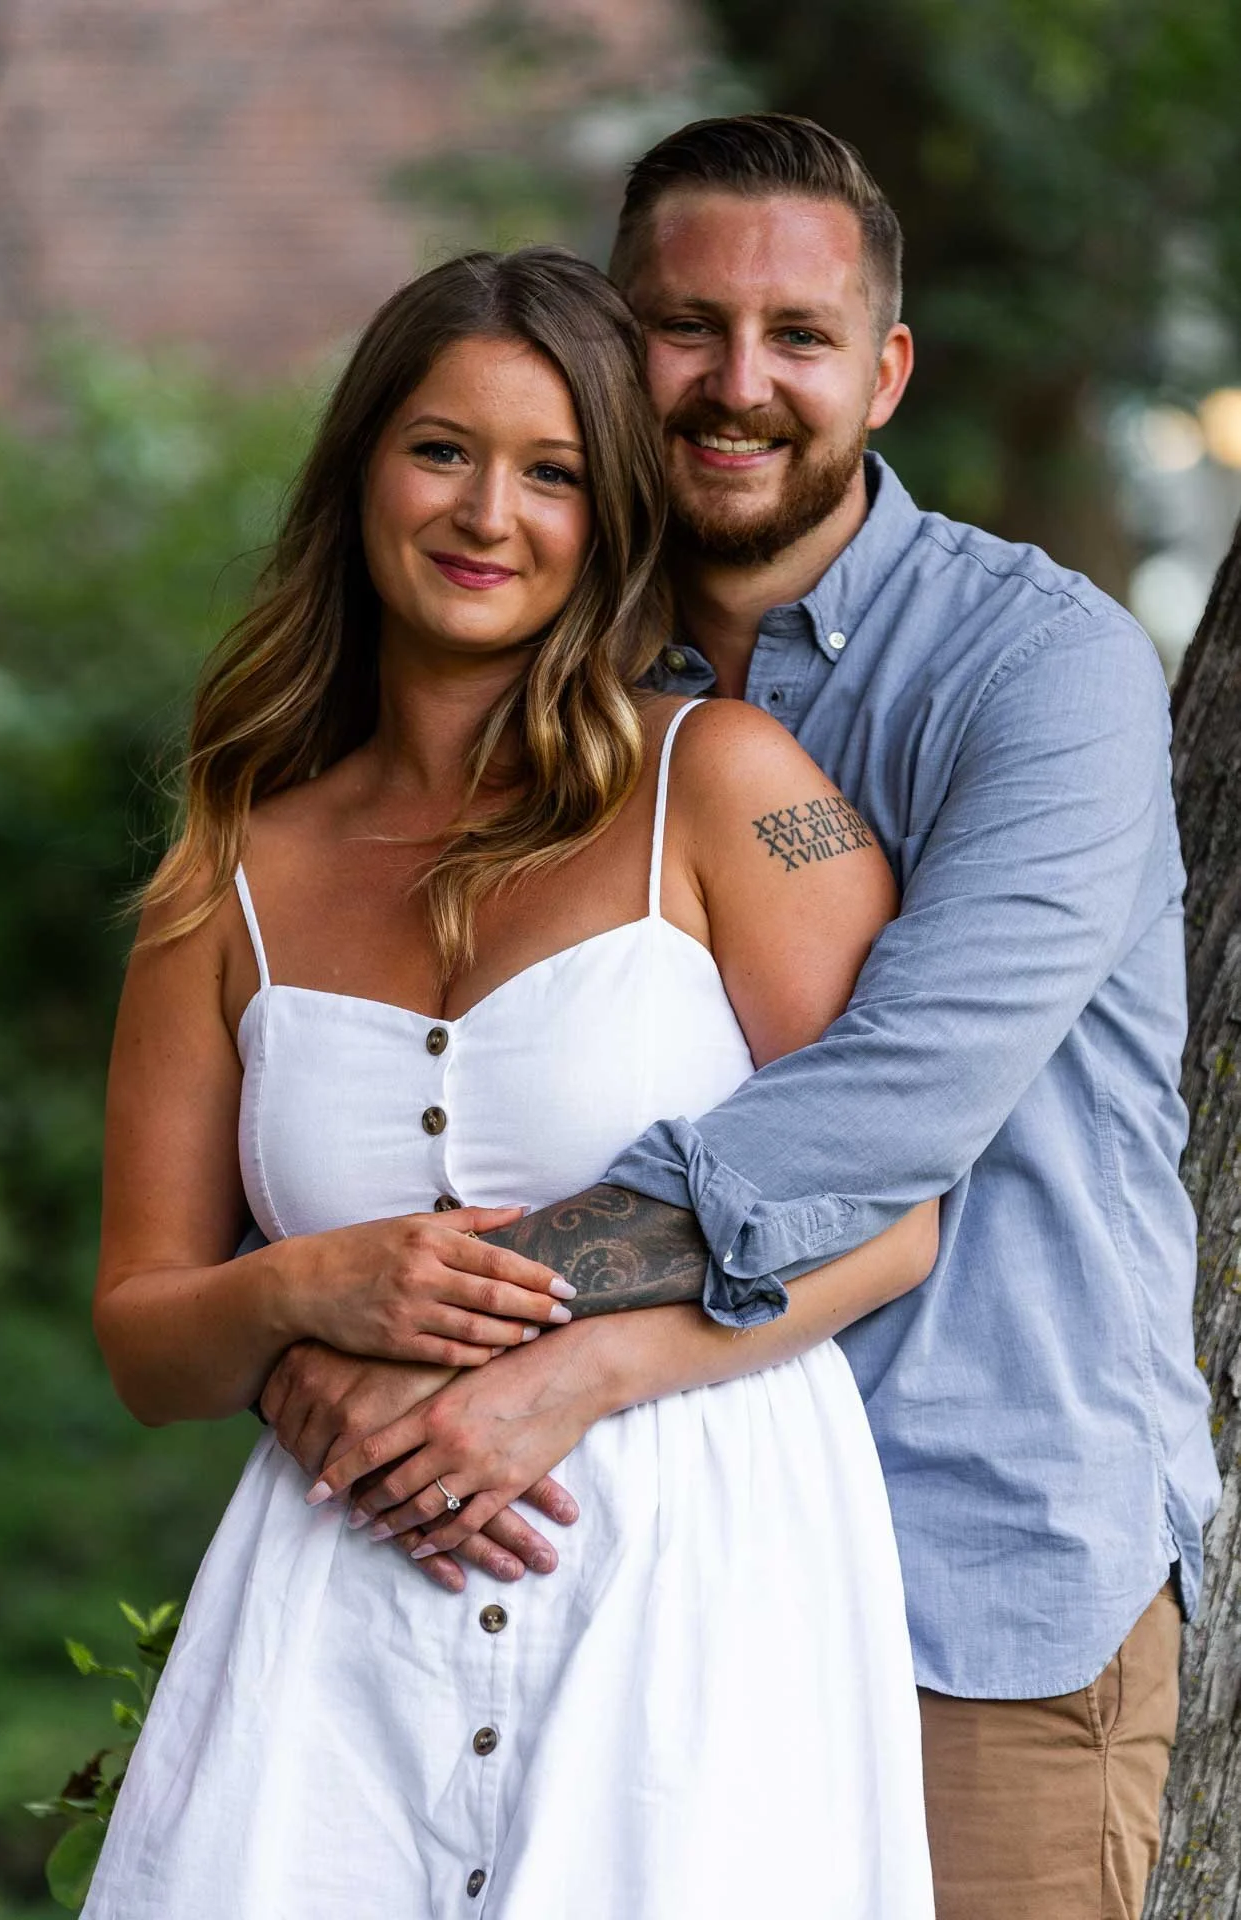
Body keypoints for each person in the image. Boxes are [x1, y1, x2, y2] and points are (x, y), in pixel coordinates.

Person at [268, 118, 1222, 1920]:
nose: (735, 384)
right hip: (611, 1580)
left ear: (886, 371)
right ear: (608, 346)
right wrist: (289, 1318)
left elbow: (895, 1099)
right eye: (683, 327)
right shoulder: (539, 675)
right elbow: (393, 1075)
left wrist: (431, 1340)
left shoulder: (1039, 665)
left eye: (796, 336)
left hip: (970, 1582)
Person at [84, 245, 938, 1918]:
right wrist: (299, 1293)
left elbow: (892, 1221)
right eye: (441, 450)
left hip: (696, 1604)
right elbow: (140, 1333)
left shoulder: (732, 791)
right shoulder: (229, 867)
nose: (489, 514)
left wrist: (582, 1378)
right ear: (360, 474)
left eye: (551, 472)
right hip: (339, 1636)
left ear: (610, 513)